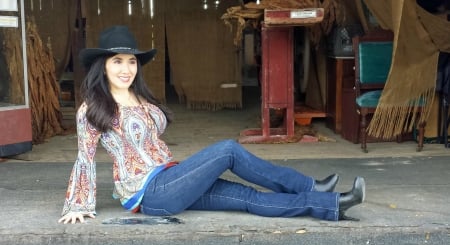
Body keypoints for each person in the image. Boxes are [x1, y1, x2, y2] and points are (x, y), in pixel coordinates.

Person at [58, 25, 365, 225]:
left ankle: (332, 204)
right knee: (228, 150)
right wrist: (77, 205)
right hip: (151, 193)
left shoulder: (141, 99)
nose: (126, 69)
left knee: (248, 198)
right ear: (103, 65)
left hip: (173, 178)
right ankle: (308, 184)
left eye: (131, 62)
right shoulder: (93, 108)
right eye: (117, 61)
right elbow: (84, 158)